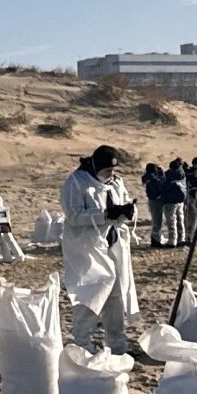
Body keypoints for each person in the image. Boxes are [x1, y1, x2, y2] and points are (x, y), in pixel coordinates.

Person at [61, 145, 139, 353]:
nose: (110, 174)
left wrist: (125, 212)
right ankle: (82, 344)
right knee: (90, 295)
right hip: (88, 249)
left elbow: (120, 208)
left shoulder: (116, 183)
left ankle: (117, 345)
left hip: (113, 245)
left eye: (113, 170)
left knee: (116, 297)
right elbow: (74, 216)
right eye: (106, 170)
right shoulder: (77, 183)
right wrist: (104, 214)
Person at [161, 158, 189, 247]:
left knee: (171, 221)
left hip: (170, 201)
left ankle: (172, 241)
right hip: (180, 200)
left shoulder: (168, 175)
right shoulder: (182, 174)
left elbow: (164, 186)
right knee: (180, 220)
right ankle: (181, 239)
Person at [142, 163, 166, 247]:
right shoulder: (153, 178)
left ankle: (156, 238)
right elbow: (162, 182)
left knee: (155, 220)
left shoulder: (147, 177)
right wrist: (162, 172)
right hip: (156, 200)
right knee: (157, 221)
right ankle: (156, 240)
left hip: (151, 200)